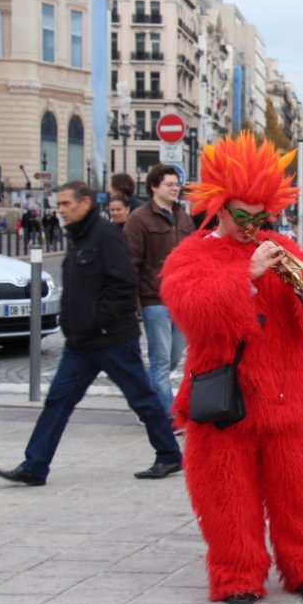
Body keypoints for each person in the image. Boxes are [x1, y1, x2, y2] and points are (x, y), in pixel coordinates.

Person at [160, 133, 303, 604]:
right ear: (219, 207)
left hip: (286, 398)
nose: (255, 226)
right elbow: (191, 312)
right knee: (228, 497)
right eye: (245, 216)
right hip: (227, 402)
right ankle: (237, 574)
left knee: (299, 494)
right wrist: (247, 276)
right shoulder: (190, 255)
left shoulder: (282, 246)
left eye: (262, 217)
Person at [0, 181, 182, 487]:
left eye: (67, 204)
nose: (61, 210)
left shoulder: (105, 236)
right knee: (58, 401)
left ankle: (169, 454)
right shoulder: (78, 238)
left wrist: (98, 321)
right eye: (60, 204)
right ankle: (35, 465)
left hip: (113, 340)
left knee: (142, 398)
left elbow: (123, 284)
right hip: (81, 344)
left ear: (85, 203)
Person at [124, 164, 195, 419]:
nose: (175, 189)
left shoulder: (183, 217)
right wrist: (132, 303)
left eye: (177, 184)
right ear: (154, 186)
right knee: (161, 362)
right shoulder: (139, 219)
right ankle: (168, 416)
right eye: (169, 184)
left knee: (173, 357)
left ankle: (147, 398)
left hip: (181, 299)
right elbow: (129, 262)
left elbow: (193, 256)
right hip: (154, 299)